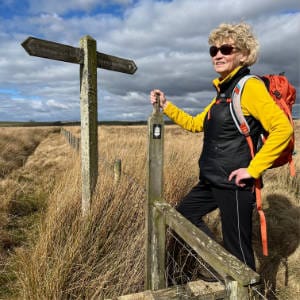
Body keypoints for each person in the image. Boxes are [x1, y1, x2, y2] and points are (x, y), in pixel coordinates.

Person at [149, 22, 293, 271]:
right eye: (213, 51)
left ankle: (248, 292)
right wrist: (167, 105)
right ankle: (215, 265)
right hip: (211, 180)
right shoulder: (224, 92)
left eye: (226, 49)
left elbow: (283, 129)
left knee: (239, 255)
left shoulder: (249, 87)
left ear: (244, 55)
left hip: (235, 185)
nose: (218, 55)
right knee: (184, 215)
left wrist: (253, 170)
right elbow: (195, 124)